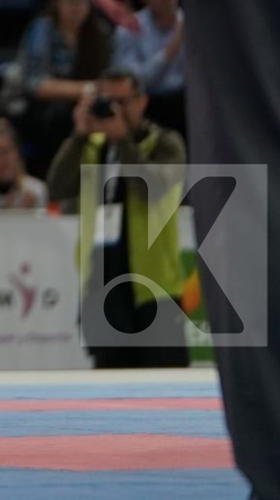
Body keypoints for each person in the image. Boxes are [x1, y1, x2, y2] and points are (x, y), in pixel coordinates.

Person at [45, 68, 188, 370]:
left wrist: (123, 140)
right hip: (102, 283)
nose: (114, 110)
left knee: (163, 388)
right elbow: (57, 187)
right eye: (106, 101)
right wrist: (78, 135)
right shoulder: (92, 147)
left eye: (121, 101)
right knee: (110, 392)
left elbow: (153, 188)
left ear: (142, 102)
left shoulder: (165, 143)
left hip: (153, 287)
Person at [0, 0, 111, 174]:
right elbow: (36, 85)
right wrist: (89, 88)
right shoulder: (42, 29)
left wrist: (91, 94)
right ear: (57, 1)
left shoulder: (99, 34)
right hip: (35, 109)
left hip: (81, 105)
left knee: (104, 115)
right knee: (59, 118)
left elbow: (108, 82)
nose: (76, 6)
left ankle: (97, 191)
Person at [110, 0, 186, 134]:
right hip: (147, 104)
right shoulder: (128, 29)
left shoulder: (191, 23)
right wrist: (170, 52)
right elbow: (131, 82)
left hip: (186, 103)